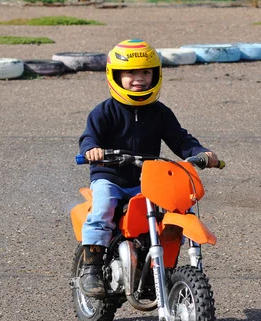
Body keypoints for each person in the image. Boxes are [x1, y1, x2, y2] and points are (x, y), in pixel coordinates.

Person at [78, 39, 219, 297]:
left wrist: (200, 153)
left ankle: (156, 270)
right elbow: (89, 138)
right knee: (102, 210)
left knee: (166, 217)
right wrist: (91, 150)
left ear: (156, 74)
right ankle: (92, 270)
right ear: (115, 76)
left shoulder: (160, 112)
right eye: (130, 73)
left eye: (145, 72)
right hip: (109, 177)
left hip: (146, 179)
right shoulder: (104, 112)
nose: (139, 79)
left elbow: (180, 139)